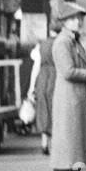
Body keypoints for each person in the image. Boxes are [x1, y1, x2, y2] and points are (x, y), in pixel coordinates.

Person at [51, 2, 86, 171]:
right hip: (68, 98)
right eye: (72, 19)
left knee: (77, 140)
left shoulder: (73, 41)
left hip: (75, 97)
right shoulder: (63, 42)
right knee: (70, 140)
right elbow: (68, 71)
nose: (77, 22)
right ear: (63, 22)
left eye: (79, 18)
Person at [26, 22, 57, 155]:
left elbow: (35, 68)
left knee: (43, 110)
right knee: (56, 111)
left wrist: (31, 87)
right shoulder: (62, 44)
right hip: (57, 78)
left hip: (43, 79)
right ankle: (56, 144)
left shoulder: (41, 46)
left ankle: (44, 143)